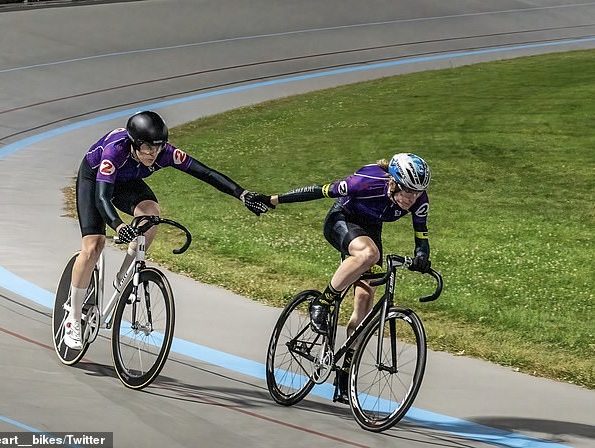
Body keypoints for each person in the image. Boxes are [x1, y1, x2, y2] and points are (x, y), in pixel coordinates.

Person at [64, 110, 270, 350]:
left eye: (158, 147)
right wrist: (119, 226)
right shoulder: (114, 152)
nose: (154, 153)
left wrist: (242, 194)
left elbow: (206, 173)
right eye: (148, 148)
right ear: (133, 144)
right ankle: (73, 318)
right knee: (93, 246)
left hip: (126, 182)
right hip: (96, 180)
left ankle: (125, 275)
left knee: (151, 214)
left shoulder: (165, 153)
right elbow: (102, 199)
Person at [262, 153, 432, 403]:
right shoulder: (366, 181)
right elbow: (319, 191)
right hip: (341, 220)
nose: (412, 198)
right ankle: (323, 301)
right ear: (393, 182)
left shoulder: (418, 199)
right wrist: (273, 199)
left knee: (365, 301)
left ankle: (344, 374)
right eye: (408, 191)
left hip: (370, 229)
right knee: (369, 254)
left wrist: (421, 256)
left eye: (417, 193)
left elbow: (422, 235)